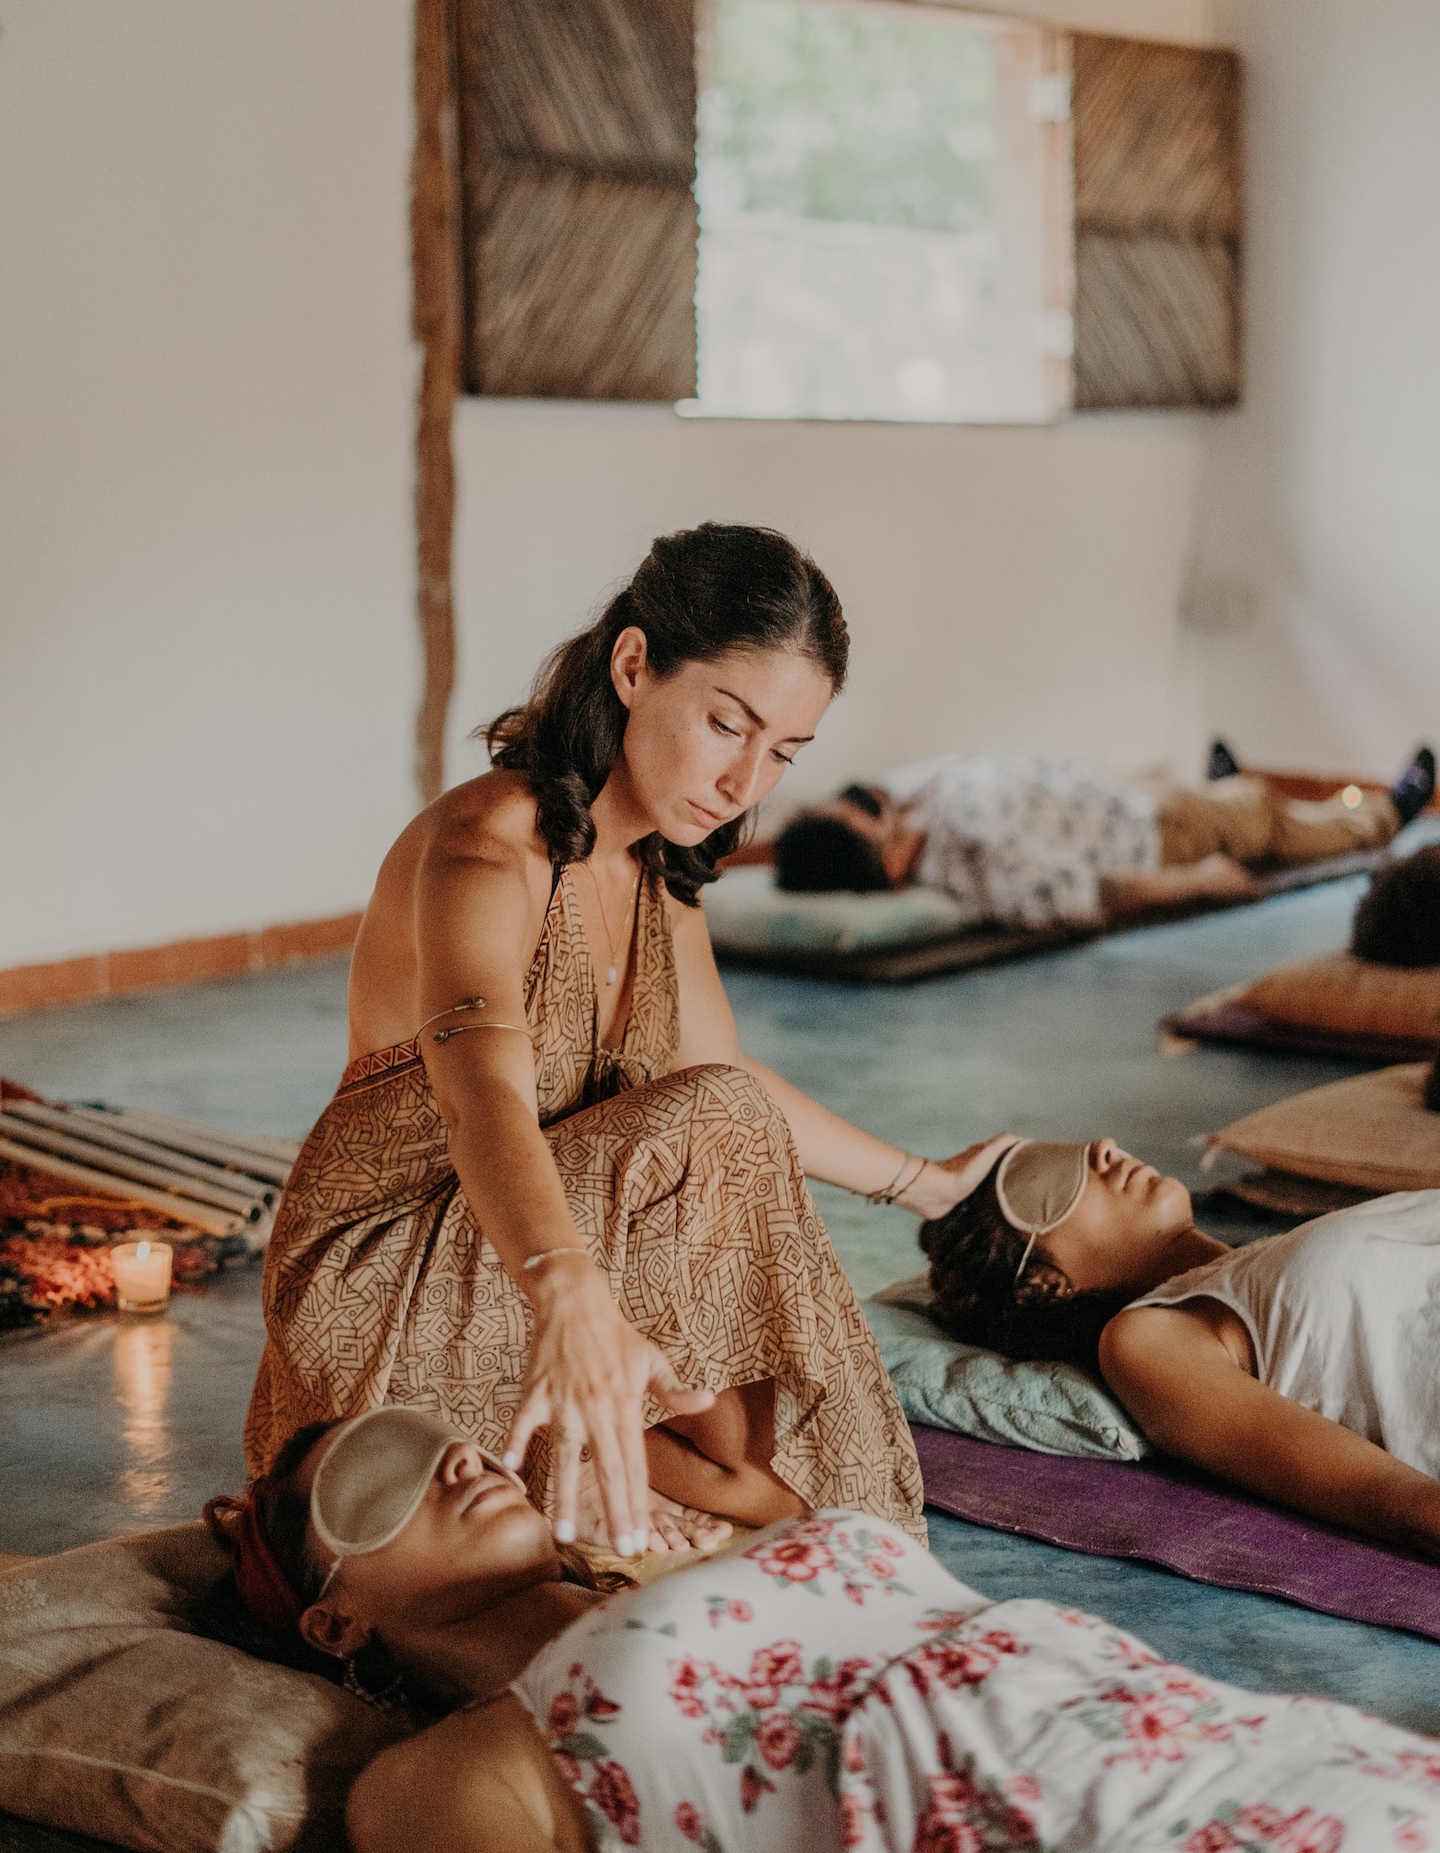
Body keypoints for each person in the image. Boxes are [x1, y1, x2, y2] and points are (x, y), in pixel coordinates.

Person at [247, 524, 1013, 1557]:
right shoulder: (483, 848)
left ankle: (658, 1467)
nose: (748, 783)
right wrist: (568, 1292)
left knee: (763, 1467)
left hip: (535, 1246)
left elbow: (720, 1075)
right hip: (382, 1277)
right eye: (727, 724)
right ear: (634, 664)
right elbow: (483, 1100)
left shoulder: (661, 865)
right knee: (713, 1126)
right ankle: (568, 1443)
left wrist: (927, 1184)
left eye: (783, 752)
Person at [203, 1404, 1440, 1853]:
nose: (457, 1456)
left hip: (1241, 1742)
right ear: (334, 1622)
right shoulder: (455, 1775)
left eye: (445, 1435)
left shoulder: (698, 1561)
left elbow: (751, 1472)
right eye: (381, 1473)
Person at [918, 1096, 1440, 1559]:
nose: (1102, 1148)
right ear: (1041, 1285)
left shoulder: (1260, 1259)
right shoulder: (1147, 1338)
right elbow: (1394, 1501)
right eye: (1046, 1181)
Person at [767, 740, 1435, 932]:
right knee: (1263, 814)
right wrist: (1194, 882)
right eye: (862, 810)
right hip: (1154, 834)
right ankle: (1380, 817)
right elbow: (1076, 894)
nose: (872, 800)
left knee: (1228, 800)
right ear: (881, 859)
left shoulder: (912, 800)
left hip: (1123, 794)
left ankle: (1219, 788)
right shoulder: (965, 861)